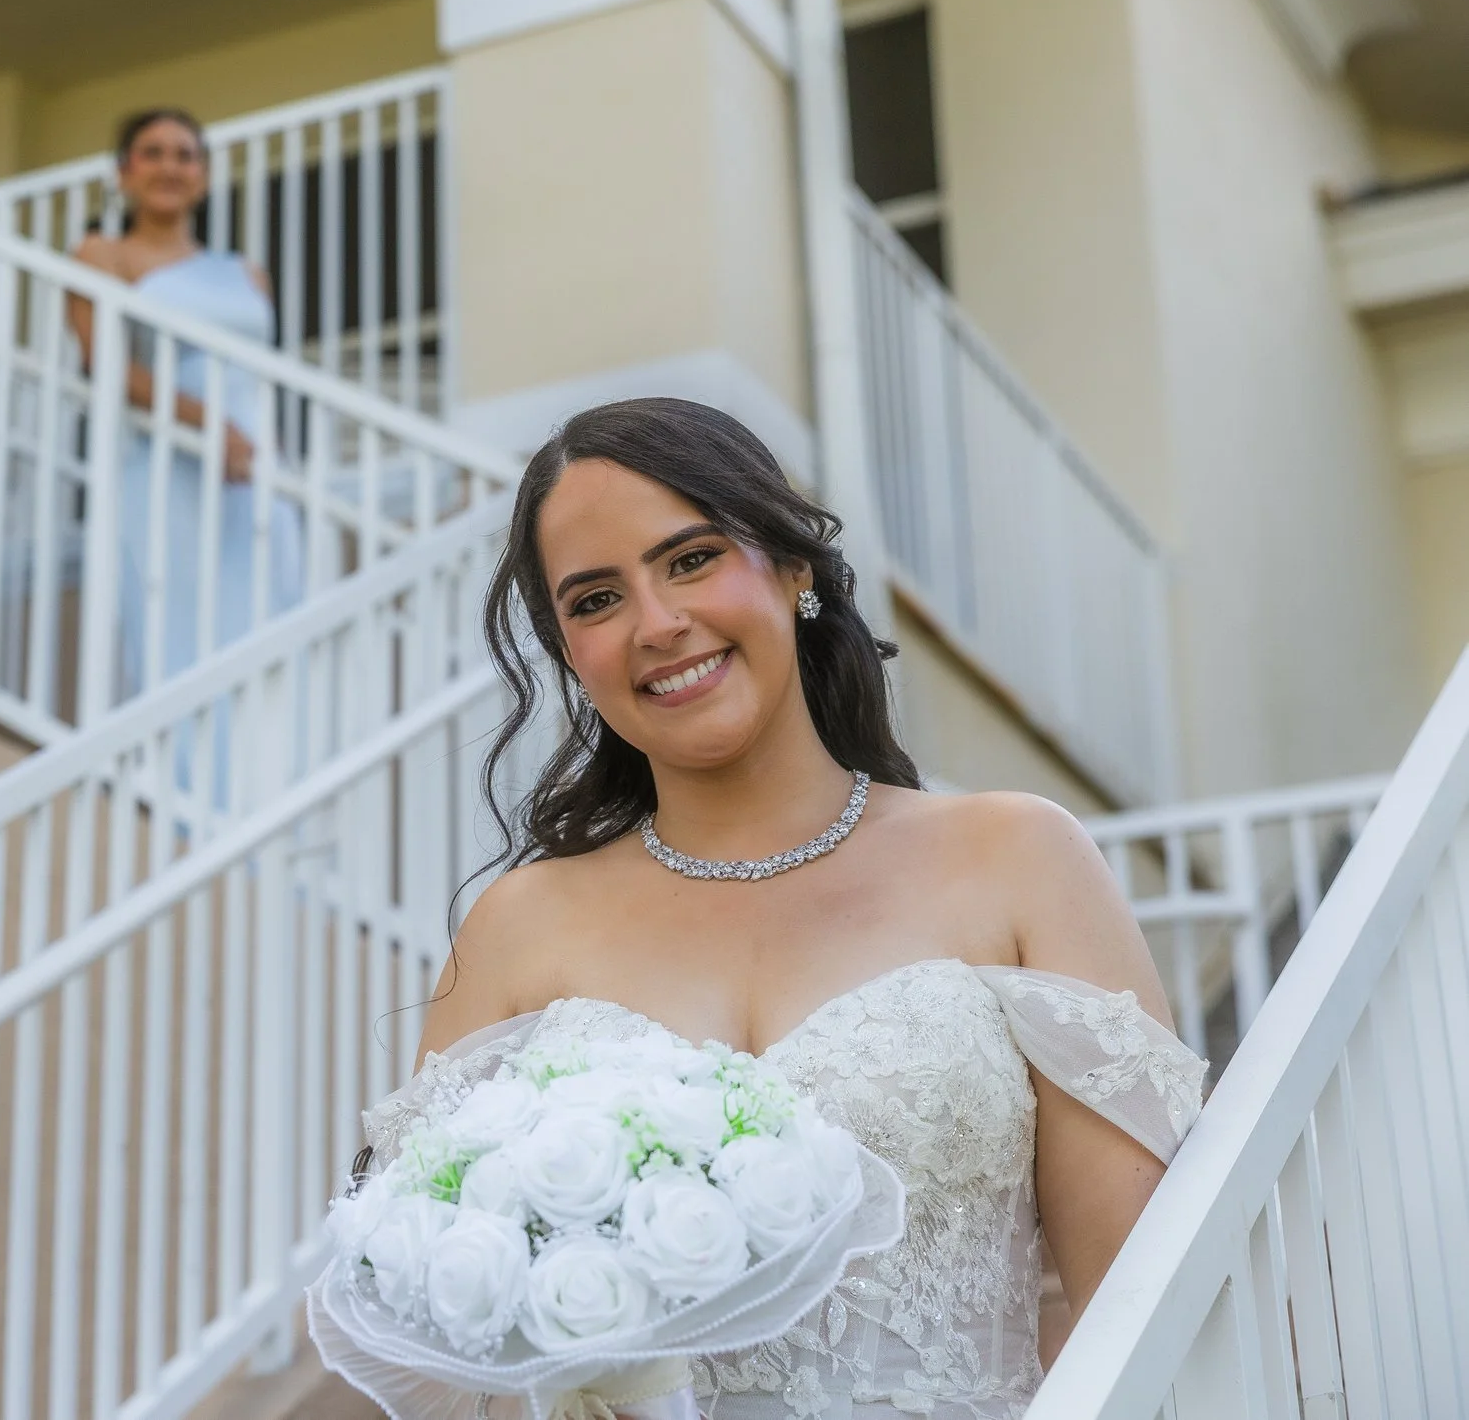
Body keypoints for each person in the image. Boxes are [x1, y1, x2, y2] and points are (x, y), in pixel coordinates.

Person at [407, 397, 1203, 1417]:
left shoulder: (1014, 859)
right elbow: (441, 1339)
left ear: (792, 569)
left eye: (689, 559)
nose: (656, 623)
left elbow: (1141, 1306)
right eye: (597, 599)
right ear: (569, 653)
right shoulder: (517, 927)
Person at [68, 109, 305, 700]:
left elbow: (259, 374)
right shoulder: (103, 253)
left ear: (203, 177)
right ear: (124, 173)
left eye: (185, 155)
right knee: (177, 631)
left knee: (272, 621)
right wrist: (208, 425)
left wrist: (254, 441)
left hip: (254, 467)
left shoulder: (246, 272)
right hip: (166, 462)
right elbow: (110, 364)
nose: (170, 166)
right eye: (152, 153)